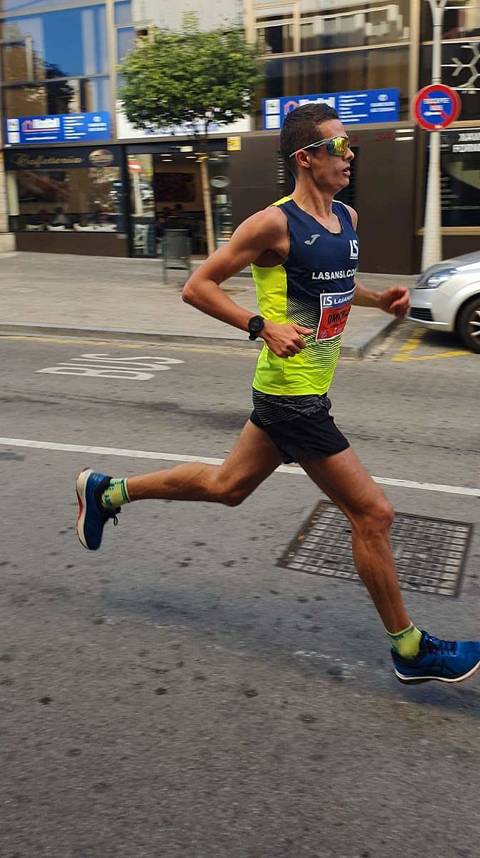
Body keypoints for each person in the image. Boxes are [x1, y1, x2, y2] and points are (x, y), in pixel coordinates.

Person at [75, 103, 480, 685]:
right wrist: (259, 326)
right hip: (293, 398)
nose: (350, 155)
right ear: (306, 157)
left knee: (226, 486)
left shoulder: (347, 218)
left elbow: (332, 286)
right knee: (373, 513)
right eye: (339, 147)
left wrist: (377, 301)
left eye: (351, 146)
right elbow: (198, 286)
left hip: (301, 392)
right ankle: (409, 648)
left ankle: (107, 492)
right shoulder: (273, 224)